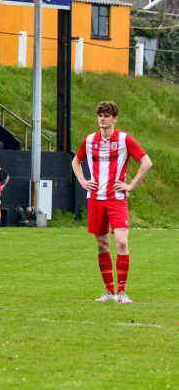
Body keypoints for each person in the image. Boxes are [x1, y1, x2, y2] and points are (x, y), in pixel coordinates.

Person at [71, 101, 153, 303]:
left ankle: (122, 292)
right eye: (100, 115)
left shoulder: (125, 139)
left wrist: (130, 186)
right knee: (102, 245)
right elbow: (76, 161)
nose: (102, 119)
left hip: (116, 200)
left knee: (122, 242)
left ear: (115, 119)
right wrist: (82, 181)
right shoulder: (89, 140)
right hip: (96, 199)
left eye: (106, 116)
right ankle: (108, 292)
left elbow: (146, 162)